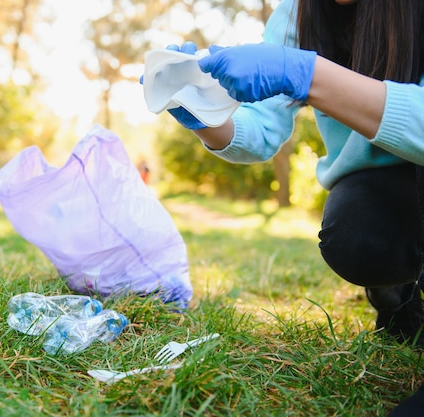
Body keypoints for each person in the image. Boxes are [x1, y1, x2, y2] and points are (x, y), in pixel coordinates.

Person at [146, 0, 424, 414]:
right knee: (355, 231)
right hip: (384, 184)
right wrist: (198, 107)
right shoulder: (298, 13)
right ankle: (400, 300)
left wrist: (307, 74)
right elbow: (261, 128)